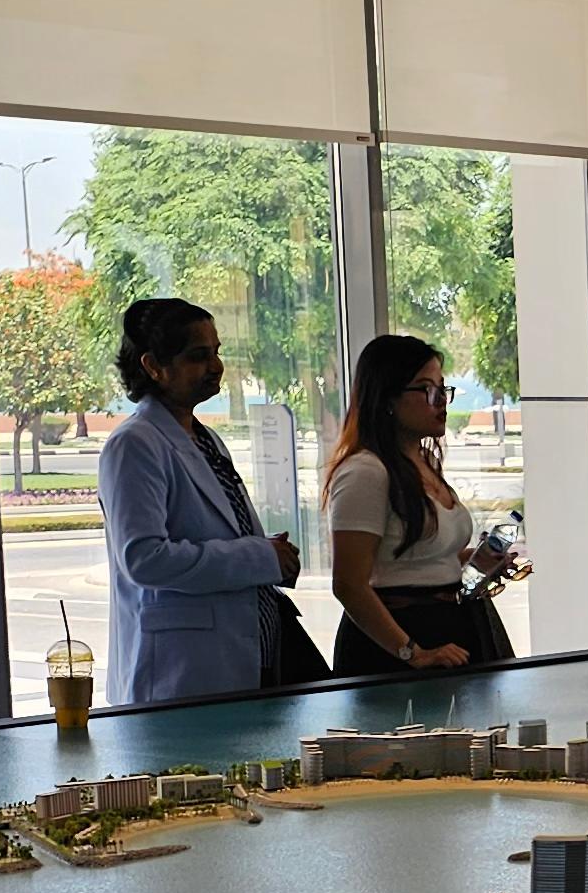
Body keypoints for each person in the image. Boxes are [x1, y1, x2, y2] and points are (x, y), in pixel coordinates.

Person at [97, 296, 305, 708]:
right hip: (181, 672)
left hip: (241, 659)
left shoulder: (205, 438)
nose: (216, 367)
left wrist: (267, 553)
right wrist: (259, 556)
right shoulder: (134, 444)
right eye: (198, 356)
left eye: (216, 353)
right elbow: (144, 558)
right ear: (153, 366)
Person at [322, 332, 514, 675]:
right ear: (388, 398)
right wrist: (412, 652)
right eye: (427, 390)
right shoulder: (365, 472)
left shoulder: (421, 461)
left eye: (443, 389)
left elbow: (421, 556)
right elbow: (349, 584)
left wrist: (480, 561)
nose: (441, 400)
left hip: (453, 625)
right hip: (395, 641)